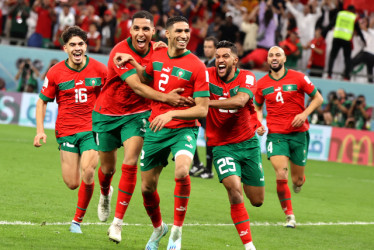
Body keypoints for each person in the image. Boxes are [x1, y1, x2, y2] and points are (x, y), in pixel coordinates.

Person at [92, 11, 192, 244]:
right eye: (137, 28)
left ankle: (117, 224)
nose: (141, 33)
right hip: (107, 113)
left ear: (153, 31)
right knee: (107, 169)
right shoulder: (120, 51)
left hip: (137, 115)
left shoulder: (159, 51)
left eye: (146, 29)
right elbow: (137, 86)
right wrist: (167, 99)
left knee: (130, 162)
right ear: (130, 30)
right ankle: (106, 192)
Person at [116, 15, 209, 250]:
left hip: (183, 129)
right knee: (147, 188)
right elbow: (148, 77)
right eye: (178, 31)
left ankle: (176, 232)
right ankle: (159, 228)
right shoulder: (156, 54)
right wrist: (134, 62)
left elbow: (202, 109)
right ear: (166, 34)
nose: (184, 35)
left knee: (181, 171)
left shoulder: (197, 65)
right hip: (157, 129)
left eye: (187, 31)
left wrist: (171, 114)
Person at [33, 26, 107, 233]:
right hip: (66, 131)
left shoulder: (101, 70)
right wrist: (40, 131)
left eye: (81, 44)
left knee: (89, 171)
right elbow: (41, 102)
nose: (77, 48)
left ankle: (77, 221)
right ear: (65, 48)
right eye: (72, 45)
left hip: (91, 130)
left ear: (86, 46)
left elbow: (113, 94)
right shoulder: (55, 72)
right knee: (73, 183)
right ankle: (103, 180)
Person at [254, 46, 323, 228]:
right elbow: (257, 107)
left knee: (297, 180)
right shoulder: (261, 84)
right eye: (271, 55)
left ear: (284, 59)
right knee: (280, 173)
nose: (274, 58)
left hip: (299, 134)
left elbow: (318, 99)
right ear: (268, 60)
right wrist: (259, 123)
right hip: (276, 135)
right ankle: (289, 216)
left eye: (278, 55)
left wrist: (304, 114)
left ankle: (299, 181)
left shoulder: (299, 77)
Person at [206, 40, 264, 250]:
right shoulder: (207, 75)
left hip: (248, 145)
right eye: (217, 56)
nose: (220, 60)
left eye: (225, 56)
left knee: (257, 200)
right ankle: (249, 246)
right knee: (234, 189)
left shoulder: (247, 77)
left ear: (235, 60)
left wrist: (206, 103)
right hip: (221, 146)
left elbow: (240, 101)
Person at [189, 36, 217, 179]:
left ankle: (207, 168)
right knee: (190, 128)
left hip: (210, 106)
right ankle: (198, 164)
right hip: (202, 104)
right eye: (205, 47)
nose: (206, 49)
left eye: (210, 47)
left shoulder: (216, 65)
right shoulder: (206, 63)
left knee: (208, 136)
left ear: (215, 49)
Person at [327, 5, 365, 80]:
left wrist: (323, 33)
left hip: (337, 37)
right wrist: (363, 40)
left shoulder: (340, 14)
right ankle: (346, 76)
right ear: (353, 11)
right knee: (347, 58)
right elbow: (358, 30)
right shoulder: (353, 17)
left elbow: (331, 24)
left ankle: (329, 74)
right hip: (346, 40)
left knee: (332, 57)